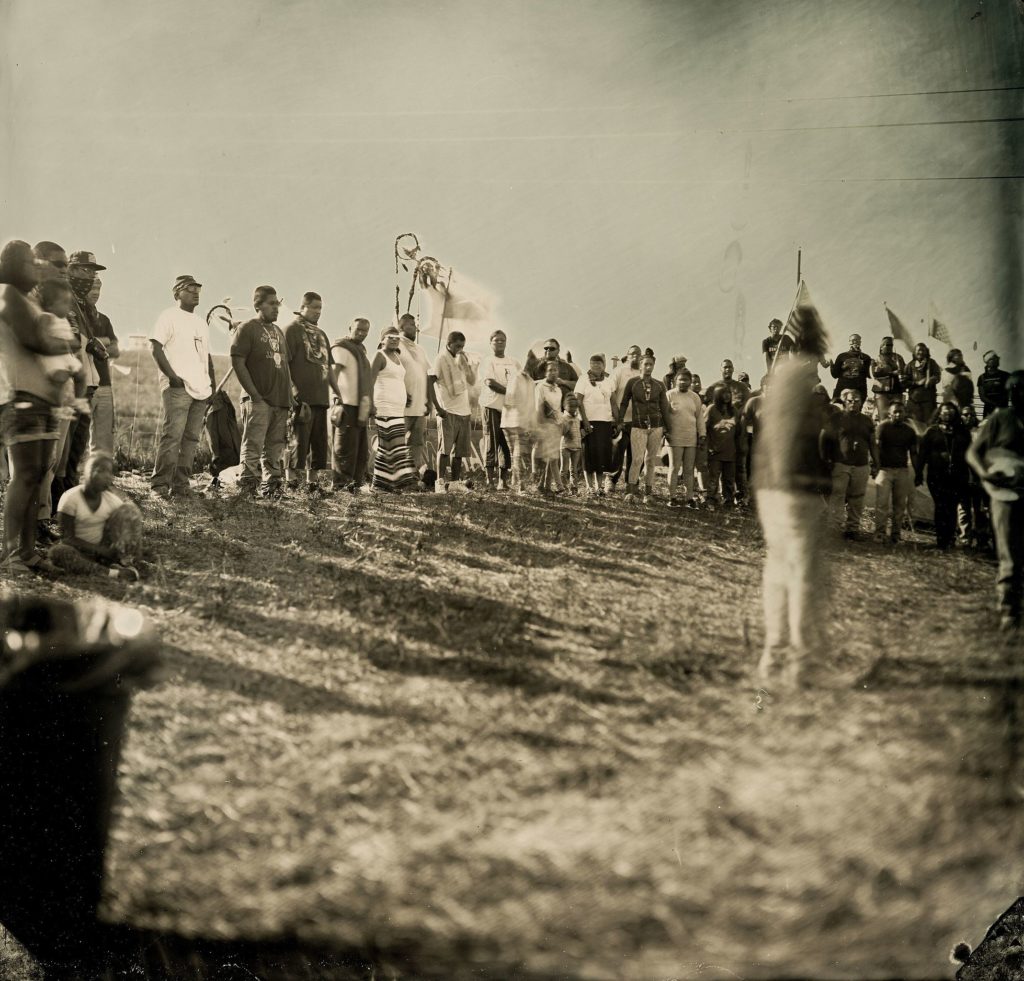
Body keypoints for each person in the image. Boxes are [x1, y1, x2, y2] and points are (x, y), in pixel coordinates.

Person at [754, 358, 835, 687]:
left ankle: (774, 654)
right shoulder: (811, 412)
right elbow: (827, 449)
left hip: (770, 493)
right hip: (798, 495)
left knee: (777, 571)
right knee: (802, 576)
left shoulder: (768, 410)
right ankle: (800, 660)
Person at [0, 240, 78, 577]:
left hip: (43, 400)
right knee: (25, 476)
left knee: (37, 476)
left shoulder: (27, 301)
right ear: (13, 265)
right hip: (22, 398)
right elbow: (34, 340)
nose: (36, 269)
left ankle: (28, 552)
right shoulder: (8, 294)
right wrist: (71, 342)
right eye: (30, 263)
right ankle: (11, 555)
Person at [966, 371, 1024, 630]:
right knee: (1009, 551)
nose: (1015, 394)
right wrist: (986, 474)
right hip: (1006, 495)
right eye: (1012, 389)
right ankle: (1009, 609)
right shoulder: (1000, 418)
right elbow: (974, 453)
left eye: (1020, 389)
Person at [149, 275, 215, 500]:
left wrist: (211, 385)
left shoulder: (200, 323)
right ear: (177, 293)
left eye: (198, 289)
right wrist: (172, 377)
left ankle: (181, 486)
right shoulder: (168, 316)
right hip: (178, 387)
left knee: (191, 439)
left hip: (201, 389)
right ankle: (159, 486)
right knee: (172, 436)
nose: (196, 292)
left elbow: (205, 356)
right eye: (190, 289)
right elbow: (155, 348)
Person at [231, 285, 293, 498]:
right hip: (258, 399)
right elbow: (238, 361)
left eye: (278, 304)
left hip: (279, 401)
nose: (276, 308)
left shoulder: (278, 331)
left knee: (275, 447)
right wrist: (254, 394)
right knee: (253, 443)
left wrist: (289, 398)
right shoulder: (247, 328)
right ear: (258, 305)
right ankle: (248, 489)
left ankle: (272, 488)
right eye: (271, 304)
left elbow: (284, 366)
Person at [49, 452, 141, 579]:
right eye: (96, 468)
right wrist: (99, 550)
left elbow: (125, 528)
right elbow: (67, 538)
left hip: (104, 554)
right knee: (57, 552)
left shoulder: (113, 501)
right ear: (84, 471)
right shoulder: (70, 498)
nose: (101, 474)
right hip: (79, 551)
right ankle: (113, 573)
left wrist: (116, 549)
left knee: (129, 511)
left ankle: (122, 563)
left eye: (107, 471)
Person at [284, 292, 339, 494]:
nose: (318, 312)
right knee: (297, 440)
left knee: (318, 442)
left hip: (321, 397)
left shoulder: (322, 335)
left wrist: (337, 392)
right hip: (300, 397)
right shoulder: (291, 330)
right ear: (303, 306)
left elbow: (329, 368)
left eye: (320, 309)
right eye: (314, 307)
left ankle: (312, 483)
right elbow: (284, 364)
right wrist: (291, 391)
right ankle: (291, 482)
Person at [916, 401, 972, 550]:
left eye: (951, 412)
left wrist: (971, 475)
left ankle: (950, 540)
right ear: (939, 414)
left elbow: (970, 455)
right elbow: (922, 454)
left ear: (955, 414)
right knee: (940, 507)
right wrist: (918, 473)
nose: (947, 415)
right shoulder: (931, 432)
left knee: (952, 507)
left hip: (957, 476)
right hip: (936, 476)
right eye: (944, 412)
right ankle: (941, 541)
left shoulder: (963, 432)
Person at [823, 388, 878, 540]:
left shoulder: (867, 420)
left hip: (861, 465)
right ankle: (834, 527)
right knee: (838, 496)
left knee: (857, 497)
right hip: (841, 463)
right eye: (850, 401)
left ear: (861, 403)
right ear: (844, 402)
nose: (853, 404)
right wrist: (827, 458)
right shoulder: (836, 418)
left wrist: (876, 463)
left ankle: (852, 529)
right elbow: (825, 438)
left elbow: (872, 443)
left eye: (857, 401)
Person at [368, 325, 418, 492]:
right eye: (390, 337)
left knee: (395, 446)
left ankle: (390, 484)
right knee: (387, 445)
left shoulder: (397, 356)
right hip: (384, 406)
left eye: (397, 337)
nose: (395, 340)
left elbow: (396, 379)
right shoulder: (379, 355)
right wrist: (370, 404)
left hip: (397, 408)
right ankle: (378, 484)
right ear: (382, 340)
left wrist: (406, 395)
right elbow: (370, 380)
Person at [617, 354, 671, 501]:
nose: (648, 367)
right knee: (637, 459)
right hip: (638, 426)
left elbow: (664, 408)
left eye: (651, 364)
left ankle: (648, 493)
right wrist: (619, 420)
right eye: (645, 364)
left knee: (651, 460)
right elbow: (623, 403)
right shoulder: (632, 382)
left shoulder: (659, 384)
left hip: (656, 427)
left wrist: (668, 428)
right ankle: (631, 491)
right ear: (640, 365)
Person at [330, 317, 374, 493]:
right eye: (358, 330)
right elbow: (333, 373)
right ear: (350, 328)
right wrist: (335, 396)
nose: (362, 334)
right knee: (344, 447)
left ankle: (355, 484)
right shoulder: (342, 347)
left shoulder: (360, 350)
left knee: (360, 449)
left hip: (360, 406)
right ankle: (340, 485)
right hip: (345, 404)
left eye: (365, 331)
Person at [428, 329, 476, 492]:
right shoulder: (441, 358)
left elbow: (471, 380)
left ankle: (455, 483)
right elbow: (430, 382)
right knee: (444, 450)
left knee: (459, 453)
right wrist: (437, 407)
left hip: (464, 411)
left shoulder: (462, 358)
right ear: (448, 344)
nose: (460, 349)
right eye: (457, 346)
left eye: (462, 346)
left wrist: (467, 365)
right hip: (448, 411)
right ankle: (439, 484)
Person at [478, 329, 520, 489]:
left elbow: (519, 382)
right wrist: (509, 392)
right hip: (491, 405)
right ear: (490, 343)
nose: (500, 342)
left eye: (502, 340)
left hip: (508, 409)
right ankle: (489, 480)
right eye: (496, 340)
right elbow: (490, 382)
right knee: (491, 441)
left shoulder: (513, 362)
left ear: (506, 342)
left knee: (506, 443)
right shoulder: (488, 361)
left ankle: (503, 481)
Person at [873, 401, 918, 544]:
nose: (898, 414)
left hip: (902, 471)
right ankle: (879, 533)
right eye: (895, 412)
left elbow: (914, 453)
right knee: (882, 504)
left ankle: (896, 535)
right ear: (889, 413)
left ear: (905, 413)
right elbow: (876, 449)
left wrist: (918, 471)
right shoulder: (882, 427)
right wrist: (875, 467)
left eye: (901, 411)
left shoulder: (910, 431)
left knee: (899, 505)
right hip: (884, 470)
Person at [84, 276, 119, 456]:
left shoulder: (103, 319)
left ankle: (99, 479)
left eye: (98, 289)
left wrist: (96, 343)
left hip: (104, 384)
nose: (96, 293)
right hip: (84, 384)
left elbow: (115, 350)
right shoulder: (78, 316)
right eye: (92, 289)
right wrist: (104, 342)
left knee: (103, 438)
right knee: (78, 436)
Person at [574, 354, 617, 495]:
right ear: (590, 365)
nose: (596, 365)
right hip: (589, 422)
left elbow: (613, 402)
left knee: (601, 455)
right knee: (589, 455)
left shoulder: (609, 381)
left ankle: (599, 487)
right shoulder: (583, 380)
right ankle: (589, 486)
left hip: (605, 422)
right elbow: (578, 401)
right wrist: (585, 421)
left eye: (599, 363)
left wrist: (617, 421)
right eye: (593, 363)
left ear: (604, 365)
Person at [397, 313, 433, 480]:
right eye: (411, 324)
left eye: (416, 324)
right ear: (401, 327)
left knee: (416, 443)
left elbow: (426, 376)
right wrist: (401, 393)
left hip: (419, 405)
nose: (415, 327)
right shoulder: (395, 345)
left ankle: (412, 478)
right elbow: (390, 371)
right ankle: (394, 477)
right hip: (401, 404)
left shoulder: (420, 349)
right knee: (396, 442)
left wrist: (429, 401)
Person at [665, 369, 705, 508]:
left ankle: (689, 498)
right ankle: (672, 497)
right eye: (680, 379)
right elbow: (664, 416)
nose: (683, 382)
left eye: (686, 380)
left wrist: (702, 434)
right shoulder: (669, 395)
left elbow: (699, 417)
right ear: (676, 380)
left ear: (690, 382)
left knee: (689, 469)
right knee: (674, 467)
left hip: (691, 437)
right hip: (674, 437)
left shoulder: (694, 397)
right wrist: (666, 432)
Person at [501, 355, 539, 494]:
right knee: (519, 454)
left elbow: (531, 404)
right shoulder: (517, 378)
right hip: (513, 421)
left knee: (516, 454)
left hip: (517, 420)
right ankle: (520, 487)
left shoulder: (529, 381)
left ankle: (515, 484)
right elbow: (510, 400)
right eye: (533, 362)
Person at [608, 345, 642, 491]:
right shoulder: (619, 371)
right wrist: (616, 417)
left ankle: (632, 482)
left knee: (636, 453)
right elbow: (610, 392)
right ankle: (611, 480)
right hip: (621, 420)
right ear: (627, 356)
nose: (635, 356)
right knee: (617, 451)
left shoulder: (643, 373)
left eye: (638, 354)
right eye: (633, 354)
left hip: (638, 421)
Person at [704, 385, 743, 508]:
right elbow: (703, 429)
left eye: (728, 393)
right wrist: (707, 446)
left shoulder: (734, 411)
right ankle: (711, 500)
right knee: (713, 478)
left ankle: (728, 500)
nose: (727, 395)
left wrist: (738, 447)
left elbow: (738, 432)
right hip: (714, 451)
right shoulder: (711, 409)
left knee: (729, 478)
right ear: (717, 395)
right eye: (723, 393)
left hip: (730, 451)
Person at [959, 404, 990, 550]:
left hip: (978, 477)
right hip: (963, 476)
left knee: (980, 510)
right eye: (965, 414)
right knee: (964, 509)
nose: (968, 417)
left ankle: (982, 540)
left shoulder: (980, 432)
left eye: (971, 414)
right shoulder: (957, 432)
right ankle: (966, 538)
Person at [534, 360, 565, 494]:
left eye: (555, 370)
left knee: (553, 456)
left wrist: (560, 422)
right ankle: (539, 485)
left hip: (556, 425)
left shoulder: (558, 389)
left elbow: (558, 409)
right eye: (550, 370)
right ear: (545, 372)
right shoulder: (540, 387)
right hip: (544, 424)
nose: (553, 372)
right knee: (544, 455)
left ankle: (547, 486)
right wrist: (543, 424)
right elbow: (538, 408)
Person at [905, 342, 941, 433]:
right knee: (914, 425)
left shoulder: (931, 363)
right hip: (914, 401)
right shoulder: (910, 365)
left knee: (928, 425)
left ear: (926, 352)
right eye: (918, 350)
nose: (920, 352)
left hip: (928, 400)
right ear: (914, 352)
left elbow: (938, 376)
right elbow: (904, 382)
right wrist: (917, 383)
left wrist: (932, 379)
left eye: (922, 350)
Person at [870, 336, 906, 423]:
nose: (889, 347)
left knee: (897, 416)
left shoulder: (898, 357)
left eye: (891, 345)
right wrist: (891, 372)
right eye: (887, 344)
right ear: (881, 346)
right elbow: (875, 373)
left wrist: (902, 373)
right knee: (884, 417)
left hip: (896, 390)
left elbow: (904, 371)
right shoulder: (876, 359)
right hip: (881, 391)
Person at [829, 334, 872, 403]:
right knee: (837, 408)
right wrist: (832, 366)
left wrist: (861, 364)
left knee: (856, 410)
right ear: (849, 342)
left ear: (860, 342)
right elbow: (835, 375)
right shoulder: (842, 356)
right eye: (852, 341)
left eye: (857, 340)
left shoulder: (866, 357)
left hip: (858, 389)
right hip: (842, 388)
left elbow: (867, 374)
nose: (855, 342)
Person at [560, 394, 586, 493]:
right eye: (570, 406)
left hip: (576, 446)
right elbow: (561, 433)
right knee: (564, 469)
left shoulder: (578, 418)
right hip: (566, 446)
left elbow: (578, 430)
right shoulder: (564, 418)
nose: (573, 408)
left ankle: (574, 487)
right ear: (565, 406)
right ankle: (563, 487)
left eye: (575, 406)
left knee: (574, 469)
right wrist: (567, 427)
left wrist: (582, 433)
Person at [977, 350, 1010, 418]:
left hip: (1003, 411)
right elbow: (982, 396)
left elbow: (1008, 392)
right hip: (989, 412)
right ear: (988, 362)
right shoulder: (982, 378)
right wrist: (994, 404)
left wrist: (1000, 404)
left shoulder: (1005, 375)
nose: (998, 359)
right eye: (994, 358)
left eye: (997, 358)